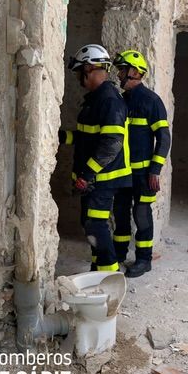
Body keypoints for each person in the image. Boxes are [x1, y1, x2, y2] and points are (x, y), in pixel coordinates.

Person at [58, 44, 133, 272]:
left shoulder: (108, 100)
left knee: (95, 225)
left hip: (103, 178)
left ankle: (108, 278)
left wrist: (87, 174)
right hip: (96, 178)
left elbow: (111, 143)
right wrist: (63, 136)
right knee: (90, 223)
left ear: (89, 69)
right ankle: (97, 270)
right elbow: (89, 137)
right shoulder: (95, 98)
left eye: (80, 71)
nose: (79, 77)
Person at [111, 49, 171, 278]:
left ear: (135, 72)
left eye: (122, 71)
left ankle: (144, 259)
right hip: (123, 172)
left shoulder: (151, 101)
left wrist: (155, 170)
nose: (119, 76)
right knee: (120, 212)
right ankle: (118, 254)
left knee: (142, 213)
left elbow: (164, 138)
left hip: (144, 174)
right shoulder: (121, 101)